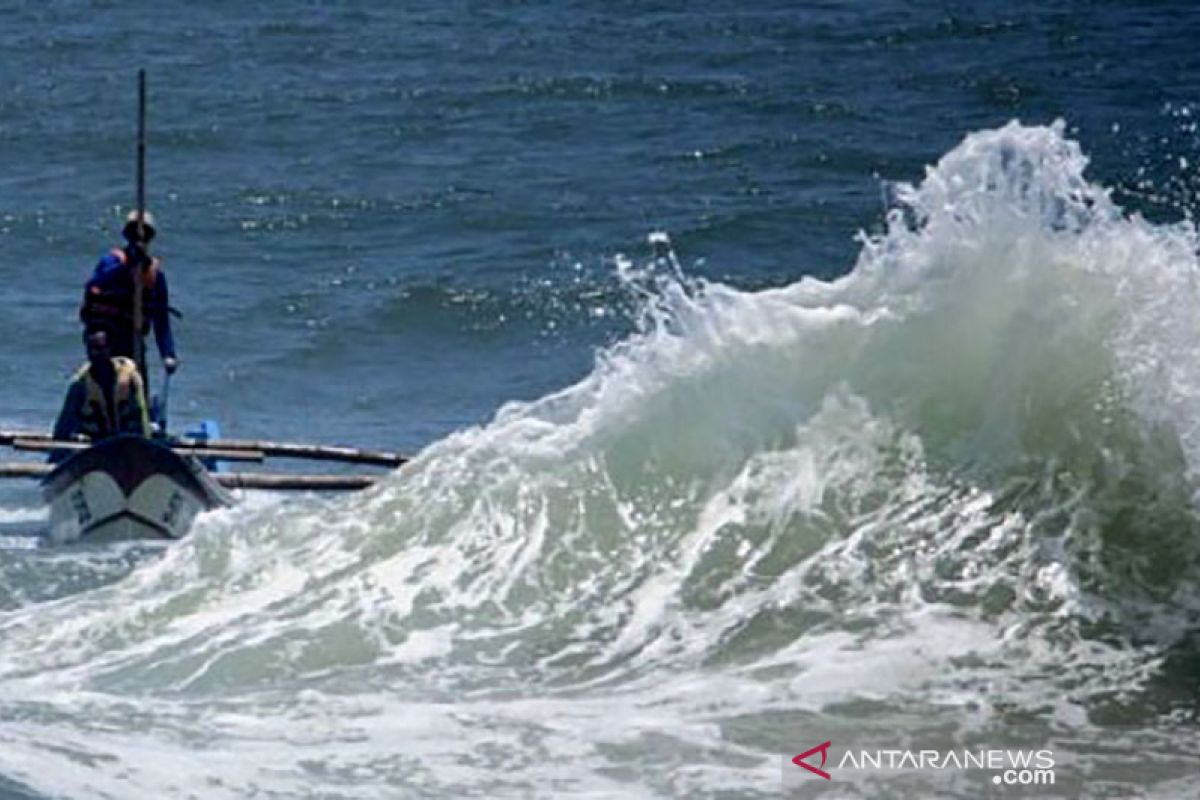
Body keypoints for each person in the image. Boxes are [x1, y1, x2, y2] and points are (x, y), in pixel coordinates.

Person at [79, 210, 179, 379]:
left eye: (144, 236)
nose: (139, 240)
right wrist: (128, 266)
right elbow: (96, 283)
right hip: (103, 337)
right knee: (105, 371)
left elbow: (161, 320)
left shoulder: (154, 275)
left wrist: (168, 354)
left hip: (131, 339)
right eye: (134, 234)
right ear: (127, 235)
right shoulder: (111, 261)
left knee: (135, 383)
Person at [52, 327, 151, 444]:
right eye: (91, 349)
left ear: (110, 349)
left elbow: (141, 419)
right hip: (95, 445)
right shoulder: (80, 384)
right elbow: (64, 426)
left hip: (127, 442)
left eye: (100, 349)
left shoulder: (130, 379)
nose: (95, 354)